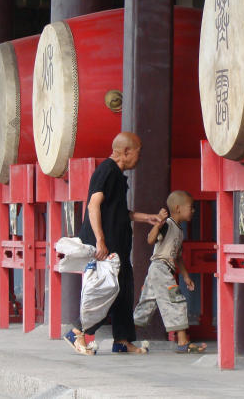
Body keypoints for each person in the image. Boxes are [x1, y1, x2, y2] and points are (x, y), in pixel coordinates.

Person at [64, 132, 163, 355]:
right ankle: (77, 331)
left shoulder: (117, 174)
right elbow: (93, 205)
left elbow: (117, 212)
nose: (140, 157)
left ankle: (122, 340)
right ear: (126, 151)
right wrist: (100, 240)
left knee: (124, 290)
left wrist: (146, 217)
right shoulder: (106, 170)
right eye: (138, 152)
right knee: (106, 291)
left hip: (117, 246)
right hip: (105, 246)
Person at [133, 191, 207, 353]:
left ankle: (124, 335)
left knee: (146, 305)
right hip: (160, 267)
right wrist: (158, 224)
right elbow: (150, 239)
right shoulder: (167, 224)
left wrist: (186, 276)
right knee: (176, 300)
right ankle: (182, 342)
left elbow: (178, 257)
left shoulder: (180, 231)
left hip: (159, 270)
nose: (193, 210)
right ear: (178, 208)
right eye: (191, 207)